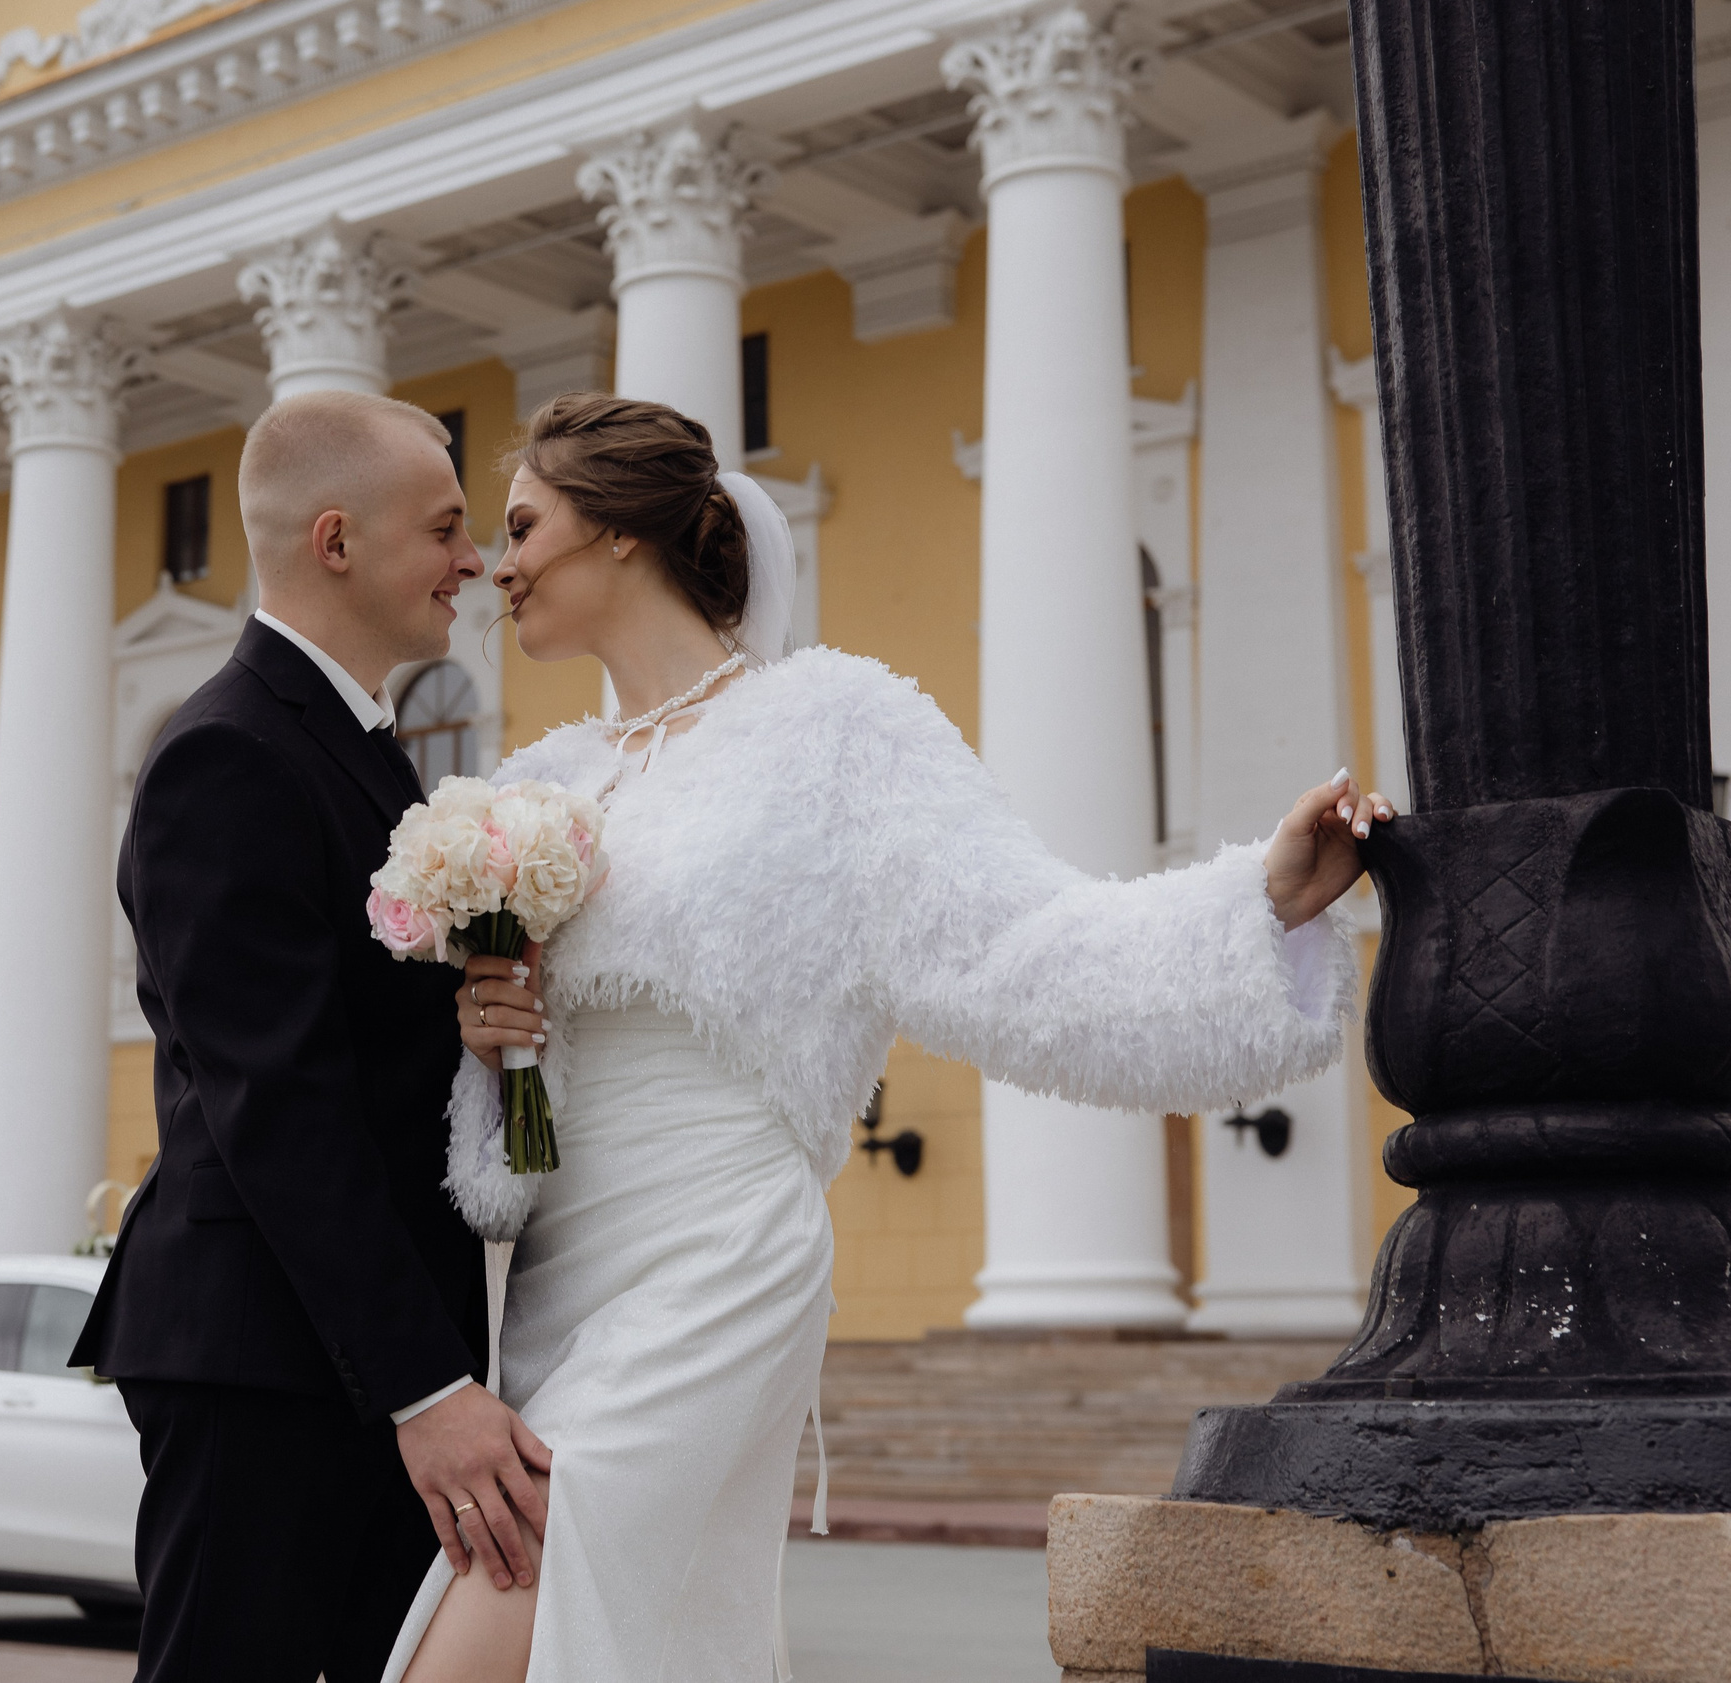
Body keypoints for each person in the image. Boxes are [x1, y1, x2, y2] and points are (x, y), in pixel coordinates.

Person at [384, 393, 1393, 1683]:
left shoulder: (834, 729)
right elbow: (513, 1110)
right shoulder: (546, 781)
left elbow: (1019, 948)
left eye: (524, 526)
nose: (499, 564)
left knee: (498, 1605)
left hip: (716, 1260)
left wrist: (1258, 899)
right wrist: (494, 1042)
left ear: (622, 530)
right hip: (559, 1281)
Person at [73, 389, 553, 1683]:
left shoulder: (365, 755)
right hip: (267, 1355)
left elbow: (369, 1051)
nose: (472, 560)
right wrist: (426, 1388)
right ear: (337, 541)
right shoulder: (224, 755)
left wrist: (486, 1038)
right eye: (445, 526)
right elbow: (275, 1099)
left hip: (352, 1346)